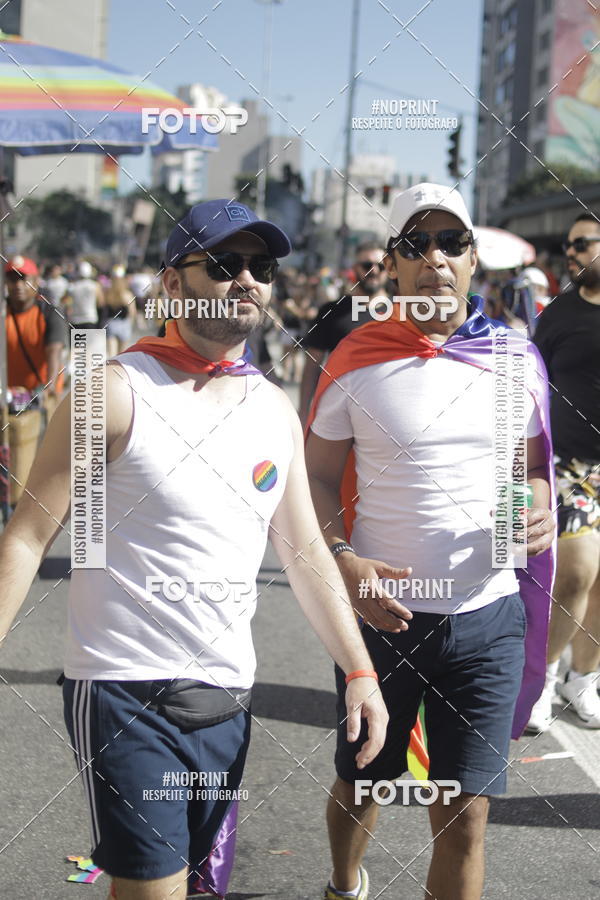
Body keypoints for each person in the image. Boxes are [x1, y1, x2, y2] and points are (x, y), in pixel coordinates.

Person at [0, 200, 388, 900]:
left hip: (228, 696)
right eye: (223, 263)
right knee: (155, 888)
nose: (247, 278)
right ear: (172, 284)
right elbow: (27, 537)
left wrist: (359, 670)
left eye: (260, 266)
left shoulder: (272, 408)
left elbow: (302, 553)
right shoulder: (113, 392)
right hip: (125, 692)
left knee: (201, 887)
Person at [305, 183, 555, 900]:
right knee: (363, 785)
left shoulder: (515, 358)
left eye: (451, 243)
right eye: (416, 244)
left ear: (474, 260)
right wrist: (344, 563)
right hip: (384, 621)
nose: (434, 259)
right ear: (393, 264)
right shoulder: (356, 357)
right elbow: (316, 480)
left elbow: (532, 468)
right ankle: (344, 881)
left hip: (489, 619)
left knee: (465, 815)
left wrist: (538, 505)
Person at [528, 212, 600, 732]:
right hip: (571, 465)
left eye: (580, 244)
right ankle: (543, 678)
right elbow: (531, 386)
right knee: (575, 573)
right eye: (568, 246)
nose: (570, 254)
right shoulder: (557, 315)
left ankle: (584, 678)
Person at [298, 242, 388, 425]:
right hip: (338, 415)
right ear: (355, 268)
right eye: (367, 265)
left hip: (386, 415)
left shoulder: (403, 311)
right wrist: (304, 412)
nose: (374, 271)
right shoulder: (331, 311)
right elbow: (312, 367)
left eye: (381, 266)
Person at [5, 255, 66, 398]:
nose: (18, 285)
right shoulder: (3, 312)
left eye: (23, 279)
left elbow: (54, 352)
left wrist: (48, 387)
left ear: (35, 282)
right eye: (13, 280)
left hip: (41, 394)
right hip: (9, 395)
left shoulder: (49, 313)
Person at [65, 260, 104, 328]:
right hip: (90, 319)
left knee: (79, 339)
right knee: (89, 339)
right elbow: (101, 303)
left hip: (75, 320)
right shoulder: (95, 285)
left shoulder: (72, 287)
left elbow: (66, 302)